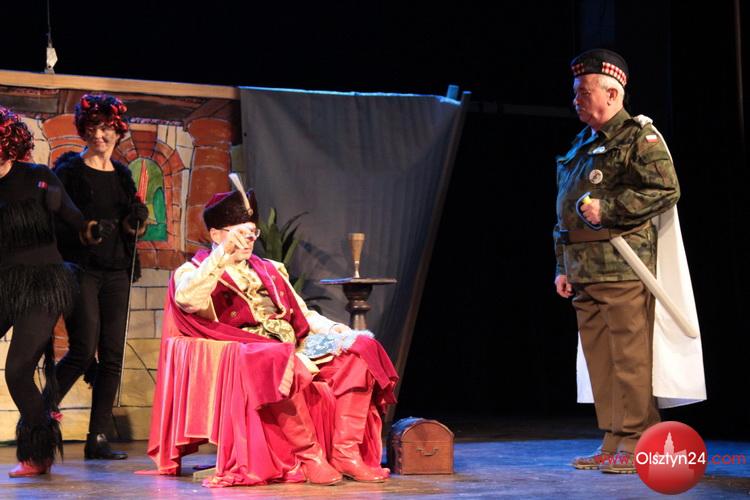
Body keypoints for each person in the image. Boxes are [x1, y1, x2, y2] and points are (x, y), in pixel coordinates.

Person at [145, 188, 398, 487]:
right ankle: (310, 457)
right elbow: (188, 300)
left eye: (251, 233)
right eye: (239, 234)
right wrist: (221, 255)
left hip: (292, 345)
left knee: (361, 348)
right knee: (278, 360)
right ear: (216, 234)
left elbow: (302, 314)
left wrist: (334, 329)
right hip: (249, 352)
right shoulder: (194, 271)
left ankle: (346, 453)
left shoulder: (270, 268)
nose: (248, 240)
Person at [553, 49, 680, 473]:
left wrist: (608, 209)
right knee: (601, 361)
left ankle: (639, 440)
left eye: (584, 92)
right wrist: (562, 266)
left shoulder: (639, 137)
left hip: (622, 266)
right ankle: (613, 438)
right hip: (583, 268)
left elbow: (665, 189)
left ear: (612, 93)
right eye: (575, 92)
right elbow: (565, 209)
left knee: (629, 360)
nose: (576, 99)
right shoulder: (581, 143)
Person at [0, 106, 95, 476]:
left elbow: (78, 223)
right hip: (4, 283)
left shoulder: (38, 176)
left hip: (42, 284)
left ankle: (38, 452)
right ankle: (40, 429)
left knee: (17, 370)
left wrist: (93, 230)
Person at [53, 94, 149, 460]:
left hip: (117, 271)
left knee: (111, 356)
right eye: (93, 128)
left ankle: (98, 438)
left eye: (107, 128)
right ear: (83, 130)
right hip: (82, 270)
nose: (100, 135)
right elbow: (57, 224)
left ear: (118, 131)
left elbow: (131, 227)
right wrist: (86, 231)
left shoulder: (123, 175)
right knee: (82, 350)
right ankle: (39, 415)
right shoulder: (69, 172)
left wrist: (134, 222)